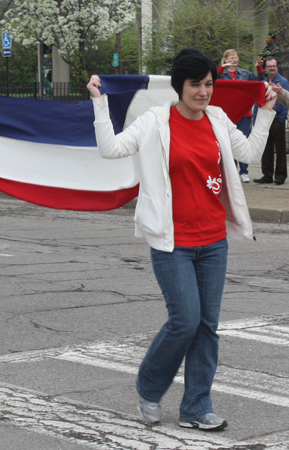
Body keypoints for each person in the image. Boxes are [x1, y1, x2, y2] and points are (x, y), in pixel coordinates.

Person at [87, 50, 276, 430]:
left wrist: (267, 111)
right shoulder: (155, 122)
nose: (204, 92)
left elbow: (251, 152)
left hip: (213, 241)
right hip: (172, 242)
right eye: (196, 84)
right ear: (180, 86)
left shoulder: (218, 120)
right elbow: (112, 149)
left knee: (207, 326)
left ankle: (196, 407)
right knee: (185, 320)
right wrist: (100, 103)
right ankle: (150, 385)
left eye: (209, 84)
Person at [218, 49, 264, 183]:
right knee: (229, 142)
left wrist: (259, 68)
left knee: (244, 140)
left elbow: (258, 83)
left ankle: (244, 171)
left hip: (244, 113)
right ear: (225, 59)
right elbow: (212, 79)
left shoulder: (244, 73)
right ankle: (232, 171)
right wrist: (222, 68)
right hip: (227, 113)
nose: (234, 61)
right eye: (231, 58)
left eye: (236, 58)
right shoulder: (221, 74)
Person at [253, 57, 289, 185]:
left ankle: (280, 175)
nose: (272, 68)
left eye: (274, 66)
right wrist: (256, 118)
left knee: (280, 148)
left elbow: (286, 101)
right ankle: (267, 175)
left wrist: (281, 118)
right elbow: (258, 100)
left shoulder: (283, 82)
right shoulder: (263, 82)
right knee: (265, 147)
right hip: (264, 119)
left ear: (277, 67)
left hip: (277, 119)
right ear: (266, 68)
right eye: (269, 66)